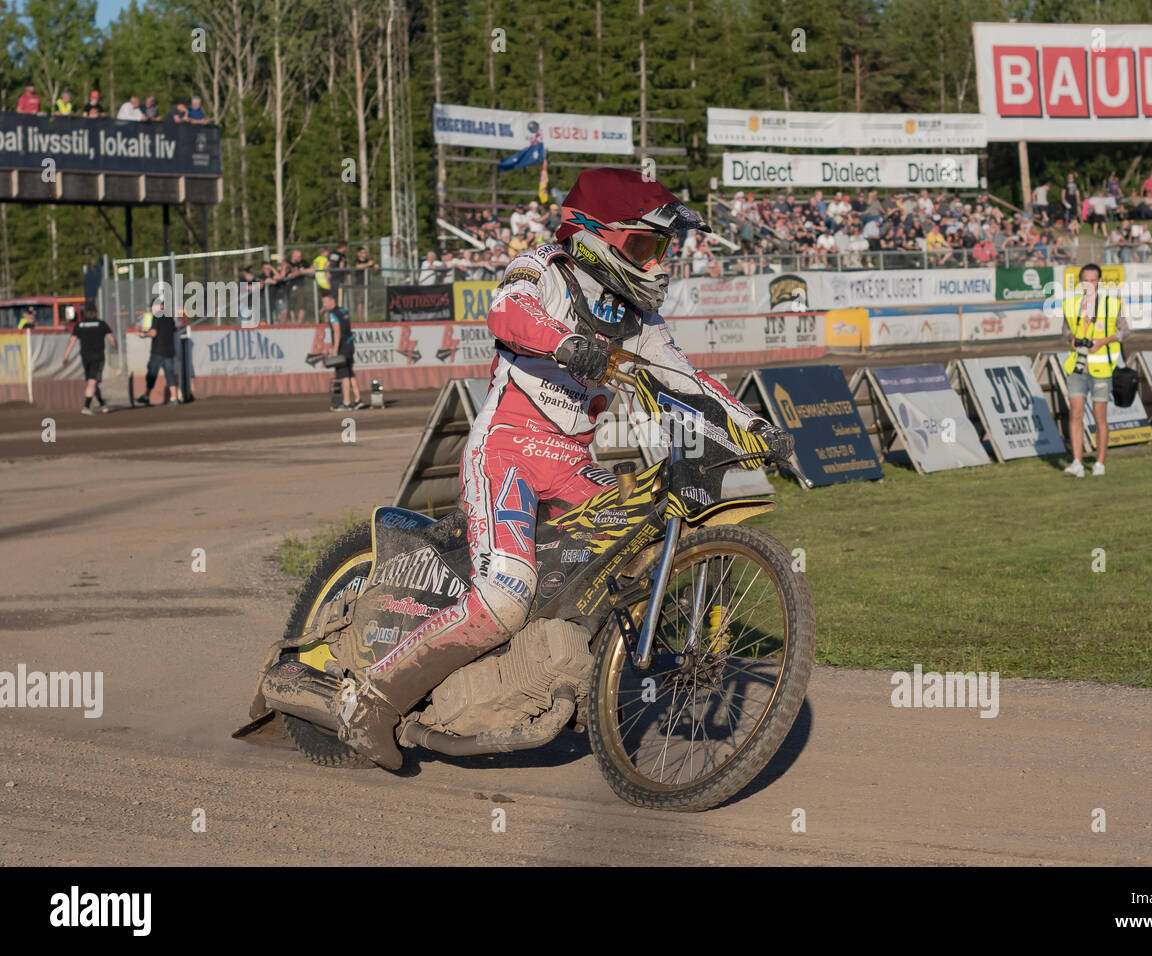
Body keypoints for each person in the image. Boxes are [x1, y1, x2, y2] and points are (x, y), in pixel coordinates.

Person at [302, 167, 795, 769]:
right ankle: (369, 702)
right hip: (506, 451)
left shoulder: (641, 322)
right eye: (645, 246)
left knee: (632, 547)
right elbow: (507, 314)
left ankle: (559, 681)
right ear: (593, 237)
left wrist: (758, 427)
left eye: (665, 249)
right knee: (506, 595)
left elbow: (687, 384)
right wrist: (566, 343)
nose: (660, 264)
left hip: (572, 466)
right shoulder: (547, 269)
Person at [1060, 262, 1129, 477]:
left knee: (1100, 418)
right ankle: (1077, 463)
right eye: (1085, 280)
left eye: (1093, 280)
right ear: (1080, 282)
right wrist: (1071, 338)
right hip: (1077, 366)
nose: (1089, 284)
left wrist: (1103, 341)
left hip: (1101, 368)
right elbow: (1064, 331)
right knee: (1076, 414)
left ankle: (1099, 463)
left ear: (1099, 281)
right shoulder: (1071, 305)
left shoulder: (1111, 304)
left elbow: (1124, 332)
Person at [62, 304, 116, 414]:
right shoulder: (101, 324)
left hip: (85, 357)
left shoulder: (80, 325)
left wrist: (66, 356)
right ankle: (86, 406)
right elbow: (111, 338)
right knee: (92, 382)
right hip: (98, 357)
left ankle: (102, 403)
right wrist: (115, 348)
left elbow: (71, 341)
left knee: (92, 382)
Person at [321, 292, 361, 410]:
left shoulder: (333, 314)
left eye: (324, 302)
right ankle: (358, 400)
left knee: (344, 375)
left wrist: (335, 350)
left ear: (331, 301)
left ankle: (347, 403)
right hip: (350, 345)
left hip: (342, 347)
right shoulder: (343, 311)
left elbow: (337, 331)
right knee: (350, 373)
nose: (323, 305)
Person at [135, 301, 179, 406]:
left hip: (158, 351)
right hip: (169, 351)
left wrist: (142, 334)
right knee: (170, 374)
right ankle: (174, 398)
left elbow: (154, 333)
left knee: (151, 374)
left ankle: (146, 397)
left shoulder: (157, 317)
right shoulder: (170, 318)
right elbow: (173, 330)